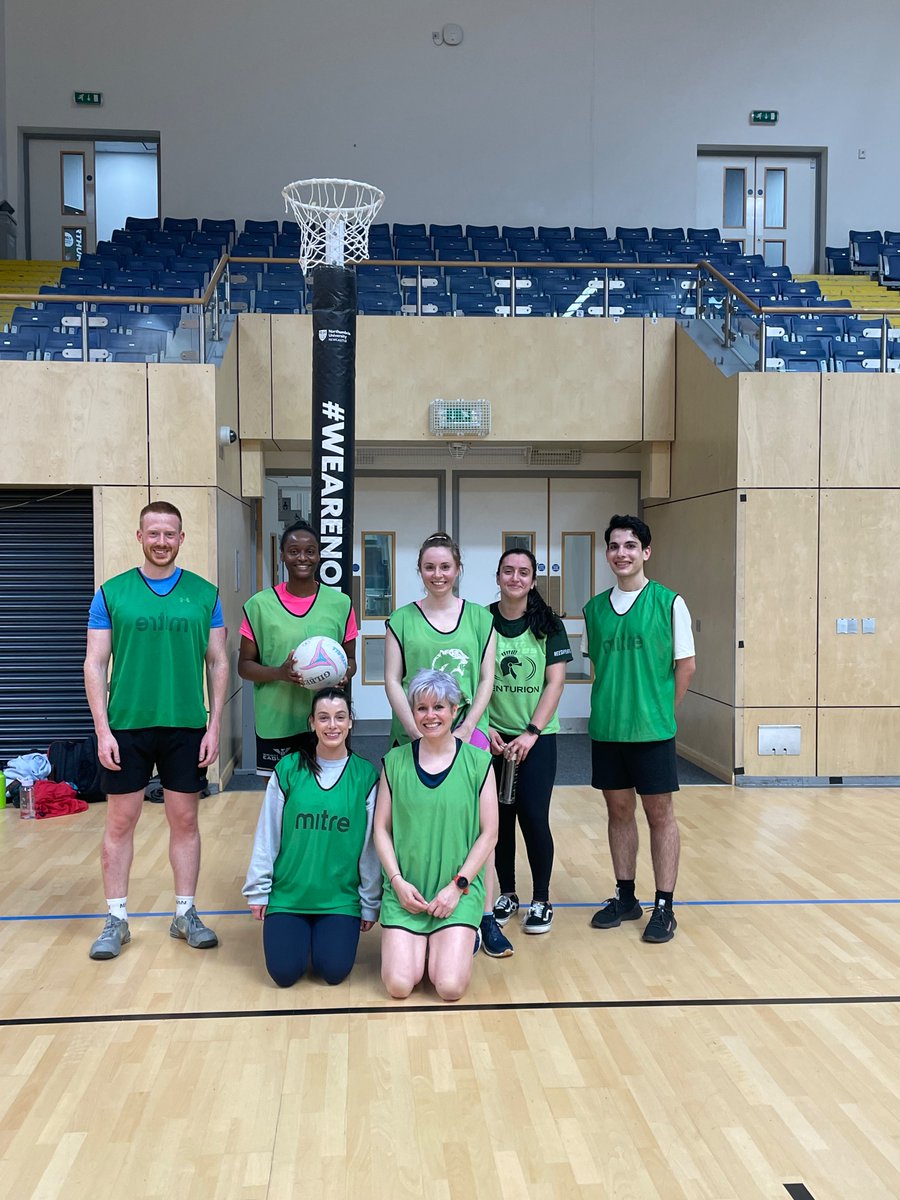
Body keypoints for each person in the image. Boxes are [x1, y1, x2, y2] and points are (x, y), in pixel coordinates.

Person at [83, 500, 229, 961]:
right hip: (127, 726)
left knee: (184, 821)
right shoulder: (112, 593)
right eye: (154, 534)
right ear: (140, 537)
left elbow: (219, 661)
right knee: (120, 821)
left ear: (182, 539)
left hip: (186, 726)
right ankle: (116, 919)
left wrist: (215, 725)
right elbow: (95, 662)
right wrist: (102, 730)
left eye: (170, 534)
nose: (162, 542)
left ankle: (185, 913)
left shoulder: (205, 594)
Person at [383, 532, 511, 958]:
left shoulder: (481, 618)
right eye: (429, 567)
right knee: (414, 830)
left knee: (478, 833)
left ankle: (485, 917)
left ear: (458, 569)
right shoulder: (400, 619)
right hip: (415, 735)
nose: (438, 574)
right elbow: (391, 681)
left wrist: (464, 726)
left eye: (445, 566)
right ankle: (415, 908)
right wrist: (421, 733)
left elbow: (487, 679)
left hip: (467, 735)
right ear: (419, 571)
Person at [582, 514, 696, 944]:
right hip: (608, 731)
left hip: (652, 733)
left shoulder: (669, 602)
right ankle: (625, 897)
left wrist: (661, 712)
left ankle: (664, 905)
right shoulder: (594, 609)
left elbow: (686, 666)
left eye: (630, 546)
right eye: (614, 546)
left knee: (660, 815)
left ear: (645, 552)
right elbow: (598, 667)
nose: (621, 553)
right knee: (618, 813)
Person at [374, 669, 498, 1002]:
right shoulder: (394, 762)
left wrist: (458, 887)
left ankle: (448, 941)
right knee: (399, 985)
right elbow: (381, 830)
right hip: (407, 893)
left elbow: (489, 834)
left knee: (449, 987)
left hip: (455, 892)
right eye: (422, 708)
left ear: (455, 710)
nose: (431, 716)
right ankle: (427, 944)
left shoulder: (478, 762)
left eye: (439, 707)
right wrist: (397, 882)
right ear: (412, 713)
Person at [242, 688, 380, 986]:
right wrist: (259, 889)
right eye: (324, 718)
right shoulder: (288, 770)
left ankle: (319, 939)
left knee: (333, 972)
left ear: (350, 722)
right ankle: (301, 938)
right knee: (283, 974)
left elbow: (370, 848)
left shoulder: (366, 776)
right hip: (289, 897)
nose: (332, 725)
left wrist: (370, 901)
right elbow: (268, 834)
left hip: (339, 899)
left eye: (340, 717)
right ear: (312, 723)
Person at [488, 548, 571, 936]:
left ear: (533, 580)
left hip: (537, 738)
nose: (515, 578)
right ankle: (507, 893)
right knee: (498, 820)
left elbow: (555, 682)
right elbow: (473, 680)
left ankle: (541, 898)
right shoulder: (481, 620)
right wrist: (483, 727)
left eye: (523, 572)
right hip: (491, 739)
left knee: (533, 816)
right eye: (508, 571)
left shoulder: (548, 624)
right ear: (498, 576)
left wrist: (531, 732)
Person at [238, 519, 358, 774]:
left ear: (318, 555)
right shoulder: (259, 605)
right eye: (294, 551)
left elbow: (351, 660)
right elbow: (244, 666)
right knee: (278, 798)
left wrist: (344, 673)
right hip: (277, 720)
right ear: (282, 555)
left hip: (326, 721)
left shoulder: (341, 603)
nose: (302, 557)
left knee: (324, 794)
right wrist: (279, 673)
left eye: (310, 550)